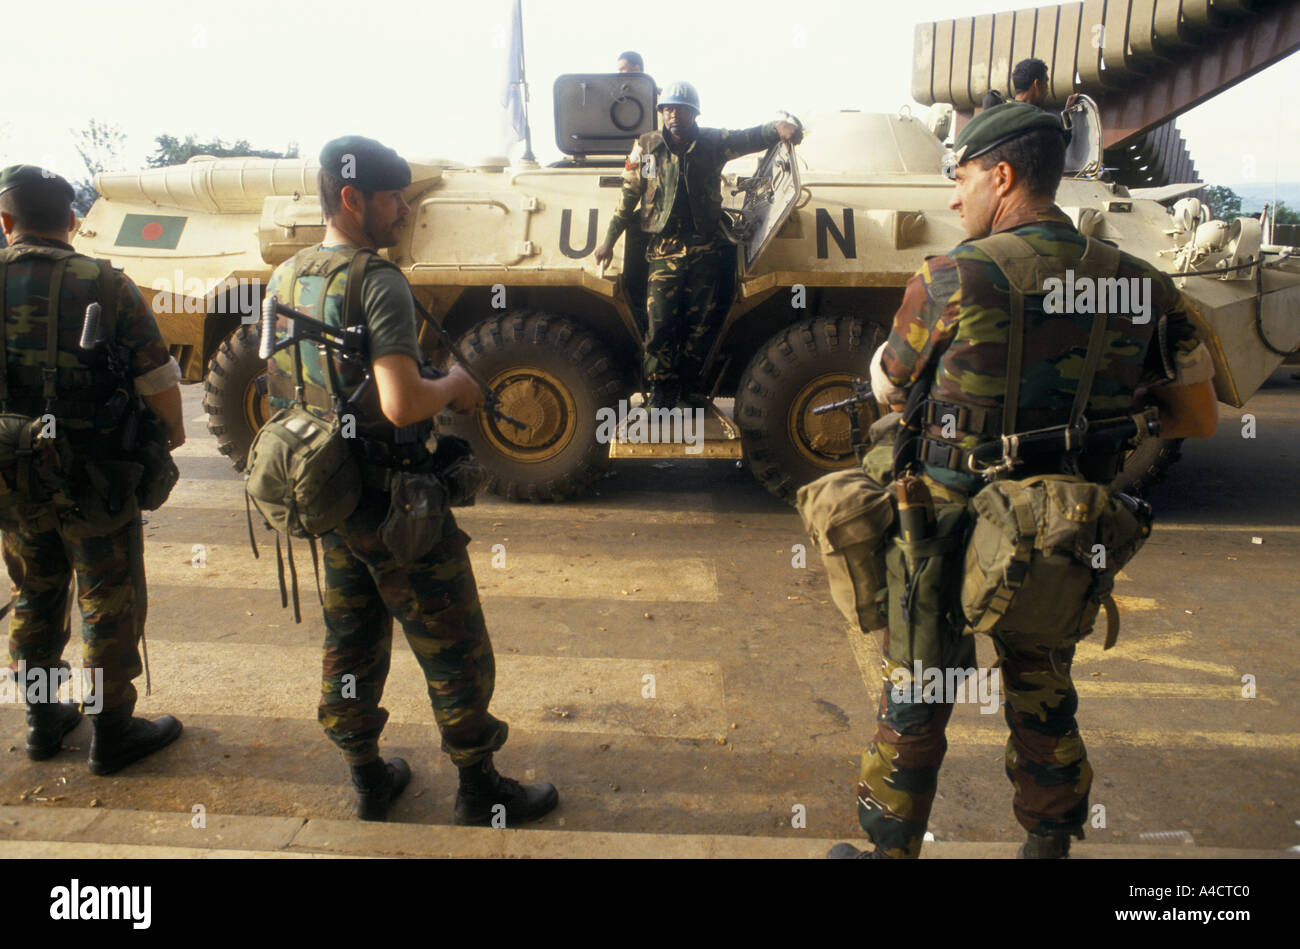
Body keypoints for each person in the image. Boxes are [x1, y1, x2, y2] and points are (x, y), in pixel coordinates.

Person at [828, 103, 1218, 859]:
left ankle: (889, 850)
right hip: (1062, 527)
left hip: (940, 528)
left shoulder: (950, 278)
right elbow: (1195, 416)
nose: (953, 197)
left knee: (920, 690)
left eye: (961, 177)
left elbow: (887, 387)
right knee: (1043, 691)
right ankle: (1048, 844)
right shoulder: (1141, 285)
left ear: (1001, 176)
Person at [263, 136, 557, 824]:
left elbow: (288, 384)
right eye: (394, 197)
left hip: (326, 493)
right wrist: (453, 384)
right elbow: (400, 403)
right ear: (352, 198)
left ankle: (366, 775)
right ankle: (479, 785)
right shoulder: (378, 280)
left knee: (352, 637)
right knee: (454, 643)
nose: (403, 210)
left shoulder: (286, 276)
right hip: (395, 505)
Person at [0, 164, 186, 774]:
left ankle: (41, 721)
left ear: (6, 222)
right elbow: (157, 377)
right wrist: (172, 437)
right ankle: (112, 733)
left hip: (12, 473)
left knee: (34, 592)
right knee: (107, 600)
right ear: (73, 221)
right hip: (96, 474)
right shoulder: (105, 282)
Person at [592, 81, 803, 408]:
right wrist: (608, 241)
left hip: (706, 248)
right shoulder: (647, 146)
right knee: (660, 322)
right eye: (669, 108)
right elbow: (628, 195)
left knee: (701, 324)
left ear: (694, 114)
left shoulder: (712, 142)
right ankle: (661, 391)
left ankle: (689, 388)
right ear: (662, 112)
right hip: (664, 250)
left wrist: (777, 129)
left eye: (682, 109)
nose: (674, 114)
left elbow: (747, 137)